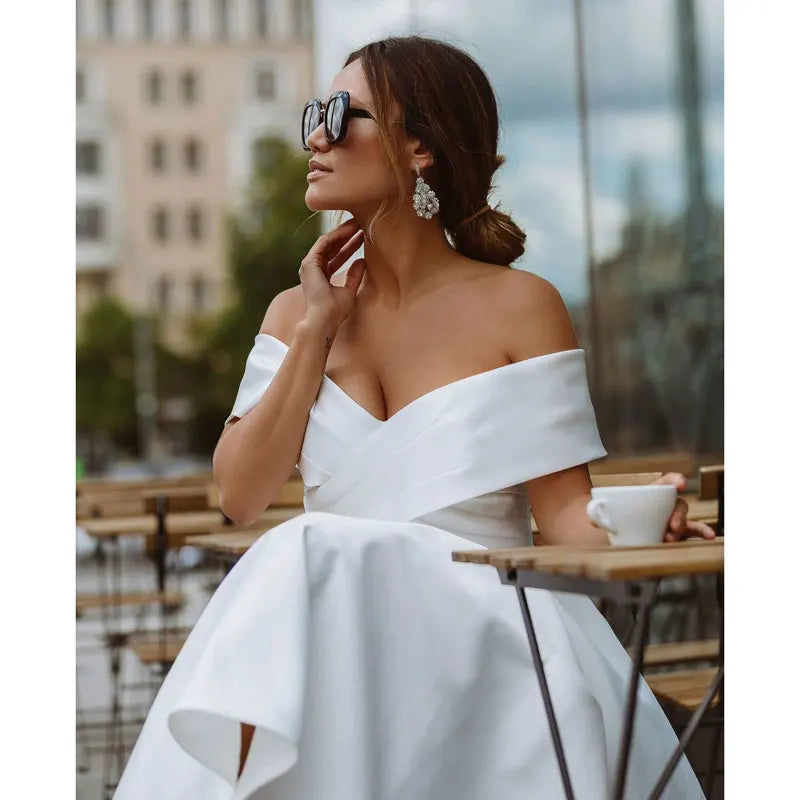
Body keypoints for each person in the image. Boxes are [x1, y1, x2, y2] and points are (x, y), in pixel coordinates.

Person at [114, 36, 714, 799]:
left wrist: (639, 522)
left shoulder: (520, 305)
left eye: (342, 114)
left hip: (489, 637)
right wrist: (315, 331)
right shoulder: (294, 314)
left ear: (420, 147)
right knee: (300, 549)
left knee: (300, 552)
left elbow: (562, 519)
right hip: (341, 649)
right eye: (313, 114)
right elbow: (238, 497)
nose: (316, 136)